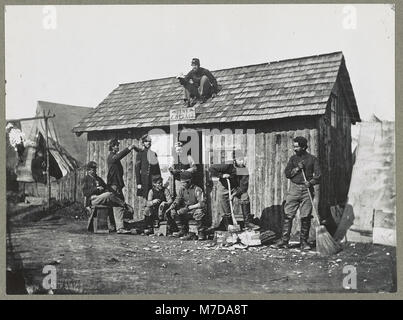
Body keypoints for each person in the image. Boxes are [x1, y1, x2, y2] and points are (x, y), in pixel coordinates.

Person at [271, 136, 321, 251]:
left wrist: (311, 182)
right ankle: (284, 241)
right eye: (294, 146)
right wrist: (297, 169)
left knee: (305, 216)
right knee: (288, 215)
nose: (294, 149)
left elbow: (318, 176)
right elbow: (287, 174)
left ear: (303, 147)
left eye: (297, 146)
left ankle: (303, 242)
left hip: (306, 190)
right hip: (294, 189)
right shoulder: (293, 159)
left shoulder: (312, 159)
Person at [208, 157, 259, 231]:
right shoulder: (227, 165)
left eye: (244, 160)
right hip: (224, 186)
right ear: (235, 160)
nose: (243, 162)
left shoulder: (244, 171)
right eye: (240, 160)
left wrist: (233, 194)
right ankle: (229, 224)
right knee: (225, 205)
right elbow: (211, 168)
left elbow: (243, 188)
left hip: (236, 187)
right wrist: (222, 175)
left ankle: (247, 223)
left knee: (245, 196)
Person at [83, 161, 133, 234]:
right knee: (109, 195)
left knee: (117, 204)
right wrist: (96, 189)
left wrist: (107, 189)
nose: (94, 171)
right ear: (88, 170)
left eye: (94, 169)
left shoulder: (99, 179)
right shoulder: (86, 179)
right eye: (92, 169)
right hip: (93, 199)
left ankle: (120, 228)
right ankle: (125, 205)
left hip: (103, 197)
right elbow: (85, 193)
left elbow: (106, 188)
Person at [171, 171, 207, 241]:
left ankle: (201, 232)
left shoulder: (197, 189)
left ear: (189, 181)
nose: (182, 184)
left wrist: (191, 207)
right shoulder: (182, 189)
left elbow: (202, 203)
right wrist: (173, 205)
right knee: (174, 212)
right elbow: (178, 198)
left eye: (184, 182)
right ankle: (183, 230)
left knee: (199, 212)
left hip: (195, 209)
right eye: (181, 182)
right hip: (186, 209)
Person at [135, 134, 162, 219]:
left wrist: (159, 181)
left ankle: (154, 219)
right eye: (146, 141)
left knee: (154, 199)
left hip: (153, 181)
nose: (148, 143)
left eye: (150, 141)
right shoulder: (140, 154)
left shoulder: (153, 154)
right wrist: (139, 183)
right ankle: (146, 220)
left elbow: (157, 169)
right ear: (143, 143)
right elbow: (137, 170)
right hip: (144, 181)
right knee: (146, 200)